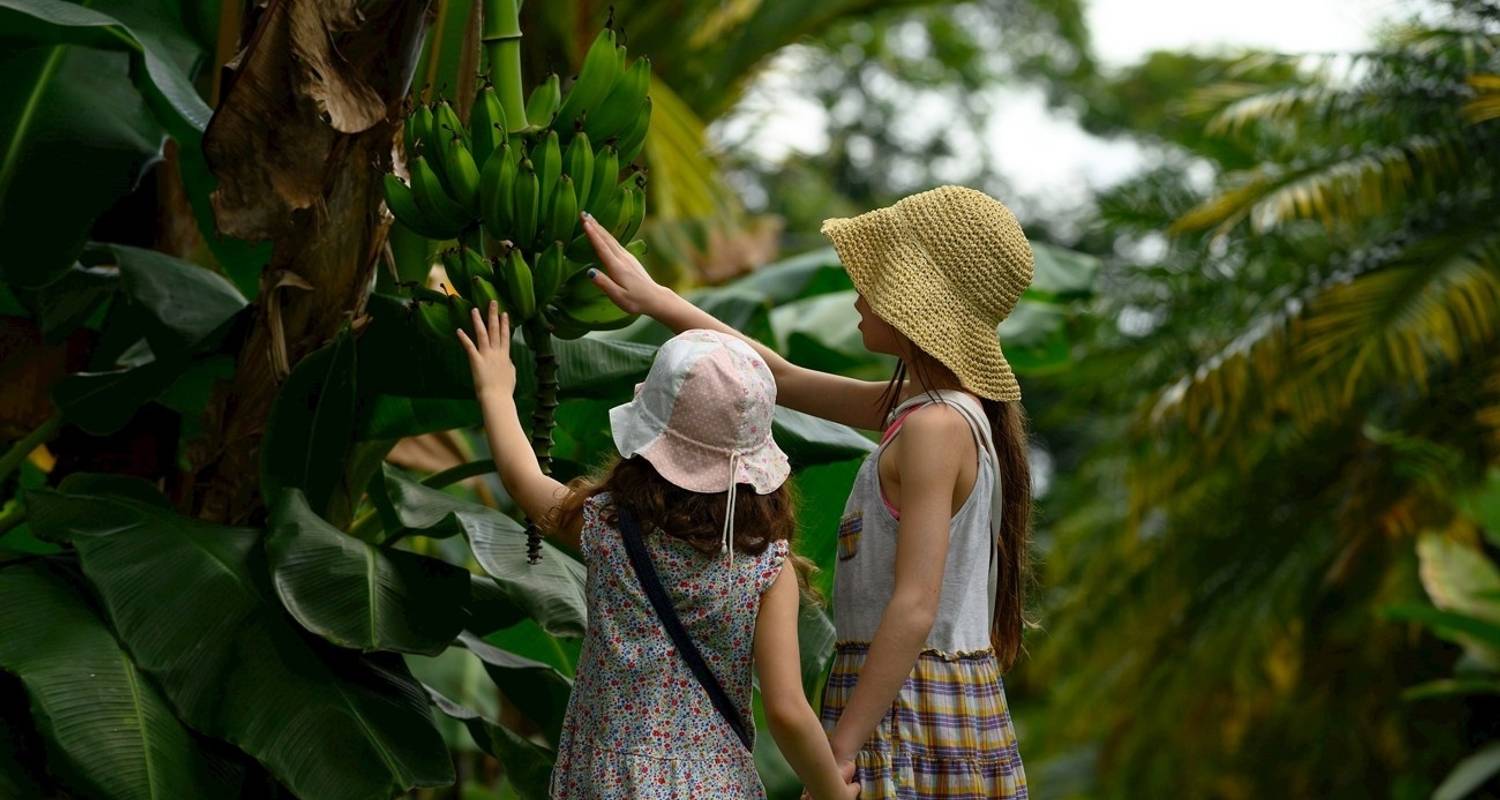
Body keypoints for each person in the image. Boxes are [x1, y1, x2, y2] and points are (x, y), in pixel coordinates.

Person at [578, 184, 1033, 799]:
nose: (857, 291)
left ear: (914, 303)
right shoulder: (926, 408)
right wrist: (659, 301)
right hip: (894, 692)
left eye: (877, 276)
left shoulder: (935, 427)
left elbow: (915, 606)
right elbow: (781, 378)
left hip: (905, 703)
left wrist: (840, 749)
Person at [458, 308, 859, 800]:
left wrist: (495, 390)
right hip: (713, 783)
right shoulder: (767, 569)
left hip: (606, 777)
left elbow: (523, 481)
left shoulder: (607, 528)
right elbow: (786, 710)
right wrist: (833, 793)